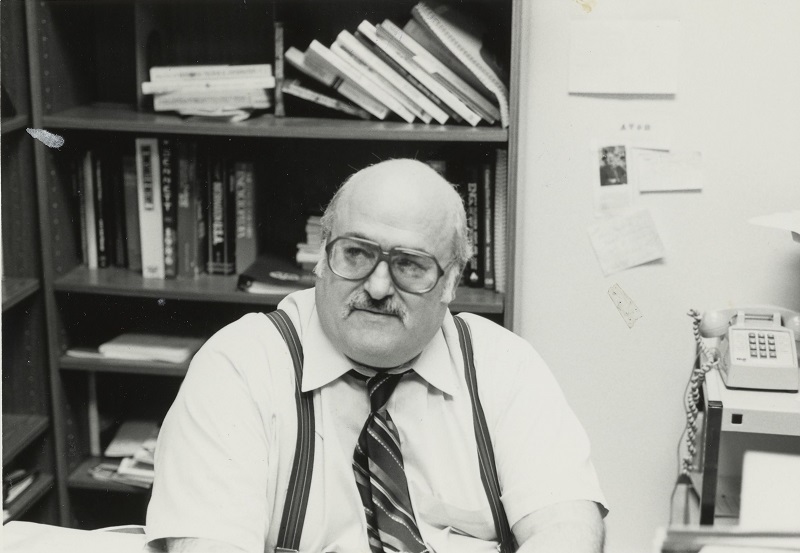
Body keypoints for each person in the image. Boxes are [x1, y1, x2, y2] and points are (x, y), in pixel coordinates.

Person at [145, 159, 608, 553]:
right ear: (321, 257)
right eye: (356, 253)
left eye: (409, 264)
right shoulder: (240, 367)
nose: (379, 286)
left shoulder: (504, 367)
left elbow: (566, 527)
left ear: (450, 282)